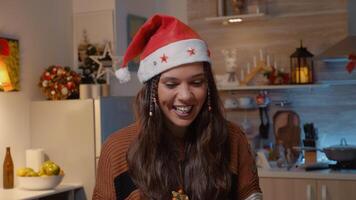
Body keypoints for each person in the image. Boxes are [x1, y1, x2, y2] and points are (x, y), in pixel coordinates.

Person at [93, 14, 262, 200]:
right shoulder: (116, 149)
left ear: (208, 87)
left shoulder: (233, 139)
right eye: (171, 84)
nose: (185, 96)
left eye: (197, 82)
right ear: (152, 91)